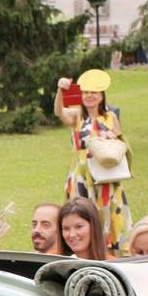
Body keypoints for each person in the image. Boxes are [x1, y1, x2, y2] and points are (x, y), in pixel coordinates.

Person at [55, 70, 132, 252]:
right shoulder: (77, 116)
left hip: (106, 173)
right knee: (82, 213)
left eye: (93, 93)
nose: (89, 96)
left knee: (107, 212)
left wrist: (113, 137)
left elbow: (120, 144)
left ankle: (109, 250)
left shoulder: (110, 117)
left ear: (101, 96)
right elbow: (59, 112)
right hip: (82, 174)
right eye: (86, 92)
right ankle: (84, 249)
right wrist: (60, 90)